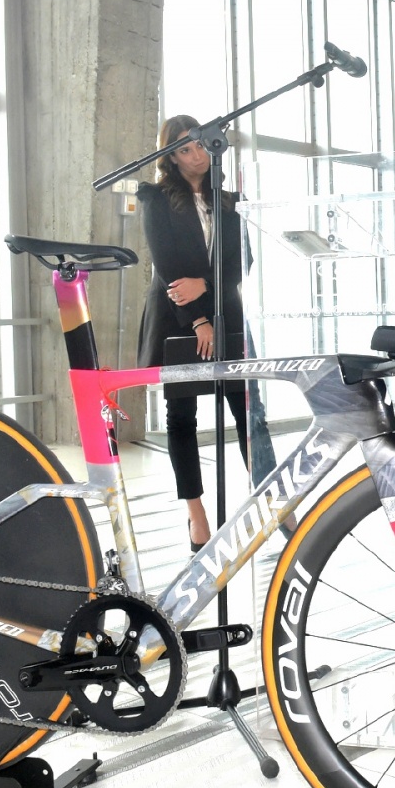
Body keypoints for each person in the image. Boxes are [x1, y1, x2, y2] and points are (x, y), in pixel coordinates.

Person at [136, 115, 276, 551]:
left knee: (248, 409)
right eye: (183, 150)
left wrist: (210, 286)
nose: (195, 155)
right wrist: (199, 316)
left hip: (228, 312)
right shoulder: (156, 198)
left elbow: (245, 262)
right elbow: (168, 266)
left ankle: (269, 498)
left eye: (198, 145)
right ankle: (196, 513)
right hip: (177, 318)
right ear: (170, 159)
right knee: (182, 418)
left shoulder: (230, 198)